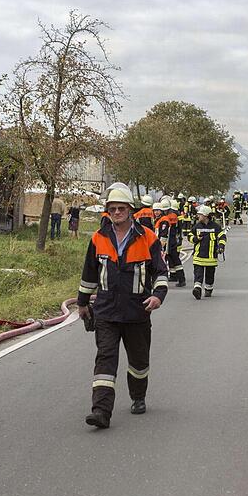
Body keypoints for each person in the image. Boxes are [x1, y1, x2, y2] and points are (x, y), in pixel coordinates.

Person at [77, 184, 169, 429]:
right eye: (112, 208)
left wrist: (158, 296)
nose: (116, 212)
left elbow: (160, 272)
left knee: (139, 362)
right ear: (107, 211)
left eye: (121, 208)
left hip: (137, 312)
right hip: (106, 311)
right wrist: (83, 303)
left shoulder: (148, 238)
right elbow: (89, 274)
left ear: (131, 210)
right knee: (105, 360)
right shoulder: (99, 238)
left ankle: (138, 396)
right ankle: (101, 411)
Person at [188, 204, 226, 299]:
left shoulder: (216, 227)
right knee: (198, 274)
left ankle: (208, 289)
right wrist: (196, 239)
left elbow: (222, 236)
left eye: (200, 214)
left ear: (205, 216)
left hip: (211, 257)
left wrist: (221, 246)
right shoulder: (196, 226)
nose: (198, 216)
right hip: (198, 256)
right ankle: (197, 289)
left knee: (210, 275)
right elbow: (189, 236)